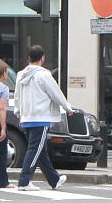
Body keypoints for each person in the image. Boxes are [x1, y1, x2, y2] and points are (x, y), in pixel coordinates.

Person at [14, 45, 73, 191]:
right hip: (40, 116)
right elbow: (56, 93)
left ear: (29, 57)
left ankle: (54, 179)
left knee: (40, 150)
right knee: (35, 149)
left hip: (26, 116)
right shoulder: (44, 74)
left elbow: (17, 95)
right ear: (42, 58)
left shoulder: (21, 74)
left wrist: (18, 111)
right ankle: (24, 181)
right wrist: (67, 107)